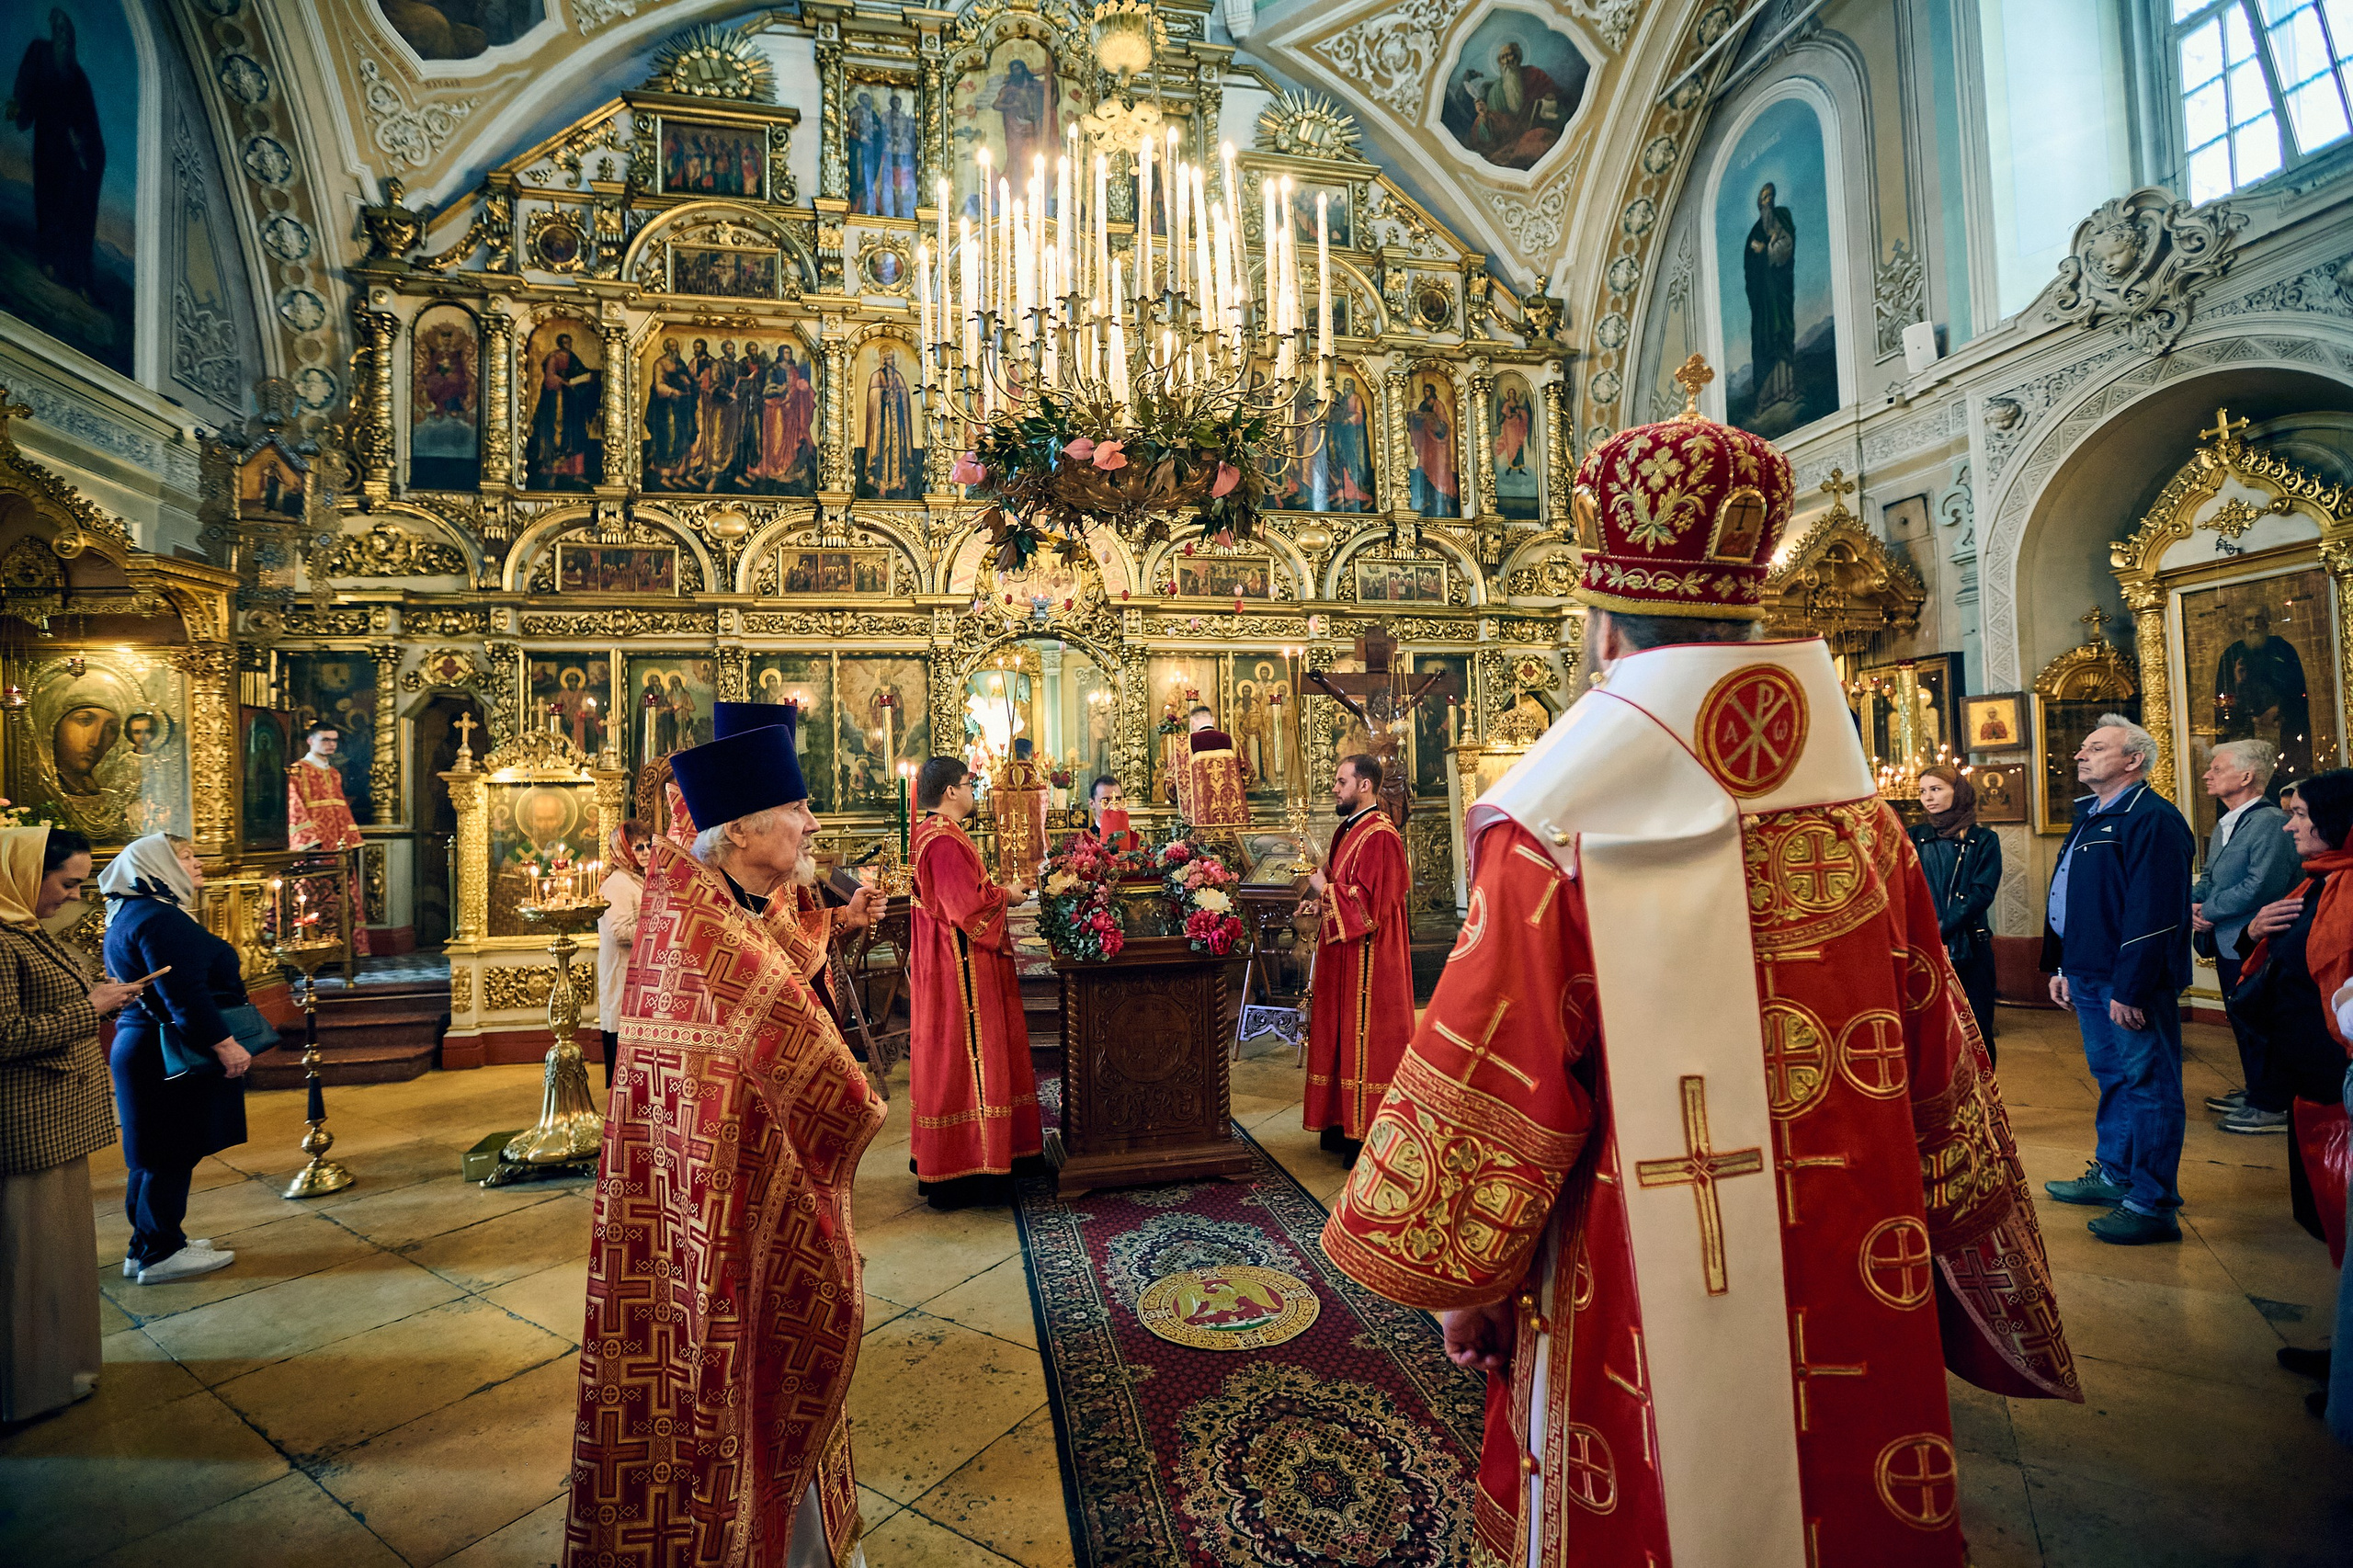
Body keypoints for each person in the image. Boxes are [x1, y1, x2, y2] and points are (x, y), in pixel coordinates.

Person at [1323, 365, 2078, 1568]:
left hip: (1631, 1255)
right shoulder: (1861, 813)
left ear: (1602, 619)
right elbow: (1944, 1057)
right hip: (1854, 1241)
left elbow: (1496, 1086)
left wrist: (1463, 1282)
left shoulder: (1557, 819)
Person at [565, 715, 882, 1568]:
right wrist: (856, 1099)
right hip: (710, 1214)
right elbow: (828, 1080)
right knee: (719, 1382)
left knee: (766, 1378)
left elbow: (788, 960)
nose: (812, 825)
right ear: (739, 829)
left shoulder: (719, 902)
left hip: (742, 1193)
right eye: (796, 808)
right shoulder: (699, 926)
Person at [0, 825, 145, 1421]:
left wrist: (100, 994)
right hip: (25, 1126)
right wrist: (89, 1007)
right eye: (65, 884)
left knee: (58, 1256)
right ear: (23, 875)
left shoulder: (25, 928)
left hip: (56, 1119)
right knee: (24, 1263)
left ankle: (60, 1367)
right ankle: (25, 1387)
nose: (71, 897)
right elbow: (4, 1033)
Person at [2041, 715, 2197, 1244]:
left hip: (2127, 982)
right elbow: (2073, 897)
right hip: (2087, 973)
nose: (2081, 755)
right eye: (2082, 747)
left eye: (2096, 748)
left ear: (2133, 760)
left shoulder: (2152, 818)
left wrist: (2131, 988)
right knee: (2112, 1078)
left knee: (2148, 1086)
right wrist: (2063, 965)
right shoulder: (2091, 814)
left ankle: (2152, 1204)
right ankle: (2114, 1175)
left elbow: (2153, 912)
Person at [100, 833, 260, 1285]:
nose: (198, 864)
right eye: (185, 857)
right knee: (170, 1150)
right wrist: (224, 1044)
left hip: (147, 1043)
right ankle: (161, 1253)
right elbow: (184, 996)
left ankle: (148, 1243)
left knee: (155, 1151)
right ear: (153, 866)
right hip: (165, 1048)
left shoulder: (136, 912)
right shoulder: (160, 919)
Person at [907, 756, 1044, 1210]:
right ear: (950, 791)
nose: (973, 790)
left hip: (955, 962)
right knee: (968, 1060)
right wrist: (1009, 895)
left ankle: (987, 1155)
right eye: (969, 783)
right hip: (960, 969)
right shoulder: (942, 840)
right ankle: (970, 1166)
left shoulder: (934, 833)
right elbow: (967, 909)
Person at [1299, 754, 1414, 1166]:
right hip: (1342, 951)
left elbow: (1368, 907)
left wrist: (1323, 891)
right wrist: (1319, 901)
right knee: (1336, 1031)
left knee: (1363, 1036)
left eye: (1341, 780)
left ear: (1364, 786)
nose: (1335, 787)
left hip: (1370, 959)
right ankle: (1336, 1120)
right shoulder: (1349, 830)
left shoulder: (1381, 835)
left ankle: (1365, 1133)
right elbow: (1339, 882)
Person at [2193, 739, 2300, 1131]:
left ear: (2247, 775)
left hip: (2256, 940)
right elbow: (2210, 877)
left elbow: (2262, 886)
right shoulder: (2230, 821)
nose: (2207, 774)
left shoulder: (2269, 821)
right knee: (2241, 1017)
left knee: (2260, 1020)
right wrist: (2192, 903)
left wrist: (2209, 911)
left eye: (2217, 769)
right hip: (2228, 936)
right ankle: (2258, 1088)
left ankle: (2272, 1103)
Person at [1909, 765, 2002, 1062]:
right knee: (1931, 1030)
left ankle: (1984, 1104)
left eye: (1936, 789)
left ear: (1957, 791)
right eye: (1923, 791)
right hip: (1924, 948)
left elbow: (1981, 893)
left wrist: (1938, 928)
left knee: (1977, 1029)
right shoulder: (1914, 836)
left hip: (1970, 948)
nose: (1928, 798)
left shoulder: (1983, 839)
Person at [595, 820, 648, 1092]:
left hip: (636, 973)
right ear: (622, 849)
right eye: (638, 847)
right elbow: (618, 932)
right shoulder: (616, 884)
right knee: (622, 1041)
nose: (646, 851)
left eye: (648, 845)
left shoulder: (636, 878)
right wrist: (656, 926)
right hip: (621, 971)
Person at [287, 724, 363, 852]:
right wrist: (308, 840)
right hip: (315, 841)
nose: (331, 744)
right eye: (325, 740)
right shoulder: (297, 771)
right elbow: (294, 807)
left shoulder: (334, 773)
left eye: (334, 740)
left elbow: (342, 807)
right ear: (310, 741)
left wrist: (351, 837)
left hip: (339, 839)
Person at [1089, 774, 1140, 853]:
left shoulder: (1138, 842)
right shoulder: (1081, 842)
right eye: (1105, 801)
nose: (1113, 806)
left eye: (1118, 800)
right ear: (1092, 803)